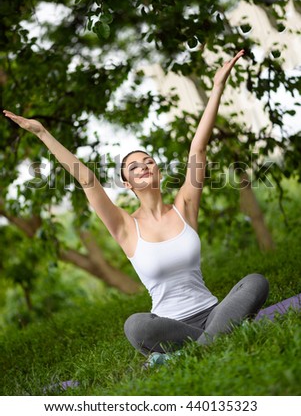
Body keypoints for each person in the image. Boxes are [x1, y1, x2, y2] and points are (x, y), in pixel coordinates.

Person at [3, 49, 269, 364]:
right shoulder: (126, 228)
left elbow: (198, 147)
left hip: (213, 312)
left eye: (148, 161)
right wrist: (42, 133)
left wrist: (216, 89)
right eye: (133, 167)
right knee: (135, 325)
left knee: (255, 282)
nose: (142, 166)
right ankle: (216, 342)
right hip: (171, 327)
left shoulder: (185, 206)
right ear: (128, 183)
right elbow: (88, 180)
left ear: (157, 171)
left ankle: (194, 352)